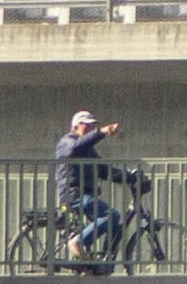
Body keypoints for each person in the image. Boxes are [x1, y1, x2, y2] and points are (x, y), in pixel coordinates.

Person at [52, 108, 130, 268]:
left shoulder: (88, 149)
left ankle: (105, 265)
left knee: (115, 224)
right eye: (86, 125)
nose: (89, 129)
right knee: (111, 215)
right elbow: (75, 149)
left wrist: (129, 176)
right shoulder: (67, 142)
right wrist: (101, 132)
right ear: (75, 126)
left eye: (92, 126)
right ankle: (77, 242)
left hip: (85, 193)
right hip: (74, 194)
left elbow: (103, 170)